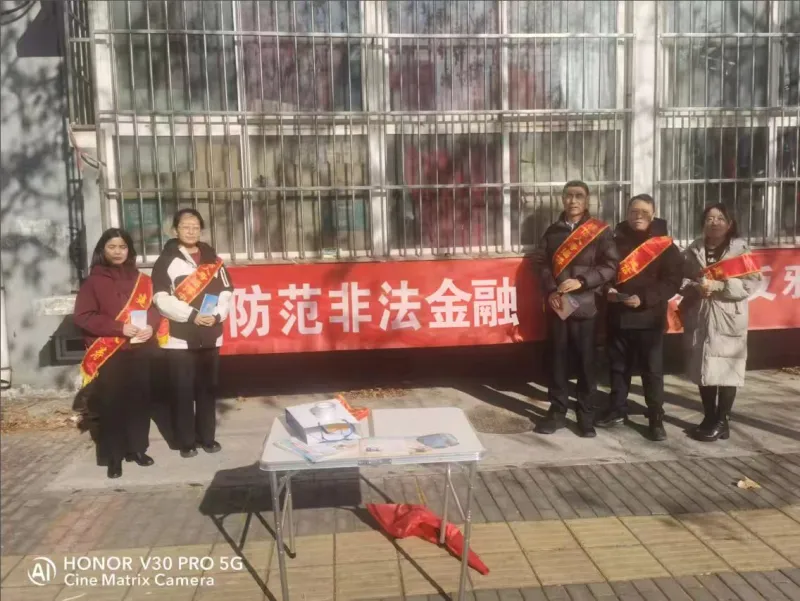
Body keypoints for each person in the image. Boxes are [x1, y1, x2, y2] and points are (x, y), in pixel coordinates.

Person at [73, 228, 160, 479]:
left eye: (122, 246)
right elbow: (84, 317)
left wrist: (151, 326)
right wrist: (118, 327)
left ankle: (137, 449)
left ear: (129, 250)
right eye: (112, 247)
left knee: (139, 401)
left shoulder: (141, 280)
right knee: (112, 403)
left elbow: (153, 309)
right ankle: (114, 457)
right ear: (103, 250)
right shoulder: (93, 282)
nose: (118, 251)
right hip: (110, 352)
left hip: (140, 349)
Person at [595, 194, 683, 441]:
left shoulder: (664, 245)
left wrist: (644, 298)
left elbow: (672, 281)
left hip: (648, 317)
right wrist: (608, 290)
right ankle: (617, 409)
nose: (638, 216)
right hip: (618, 315)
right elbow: (604, 272)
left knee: (651, 371)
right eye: (634, 211)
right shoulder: (614, 240)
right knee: (617, 368)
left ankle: (655, 417)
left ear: (653, 214)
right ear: (627, 214)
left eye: (644, 212)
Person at [537, 180, 619, 437]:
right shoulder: (552, 232)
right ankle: (557, 411)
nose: (573, 201)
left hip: (586, 305)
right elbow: (541, 263)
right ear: (562, 199)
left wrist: (583, 281)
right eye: (568, 196)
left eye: (578, 196)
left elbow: (610, 266)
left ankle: (585, 415)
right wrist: (551, 289)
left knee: (586, 363)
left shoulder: (600, 232)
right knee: (557, 361)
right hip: (559, 303)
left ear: (587, 201)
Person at [152, 209, 234, 458]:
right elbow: (161, 298)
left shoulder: (213, 260)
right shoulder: (166, 260)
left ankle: (207, 437)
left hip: (210, 334)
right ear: (175, 230)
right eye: (185, 226)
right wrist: (191, 315)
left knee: (207, 390)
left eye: (196, 226)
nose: (191, 231)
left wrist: (217, 315)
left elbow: (227, 292)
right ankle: (186, 441)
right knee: (182, 391)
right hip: (179, 337)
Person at [679, 203, 761, 442]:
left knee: (727, 370)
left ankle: (722, 420)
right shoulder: (694, 249)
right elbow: (681, 279)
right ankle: (709, 417)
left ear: (730, 223)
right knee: (703, 368)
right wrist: (696, 287)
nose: (714, 222)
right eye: (709, 218)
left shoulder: (740, 251)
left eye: (720, 218)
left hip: (727, 316)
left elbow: (752, 283)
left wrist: (719, 285)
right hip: (701, 314)